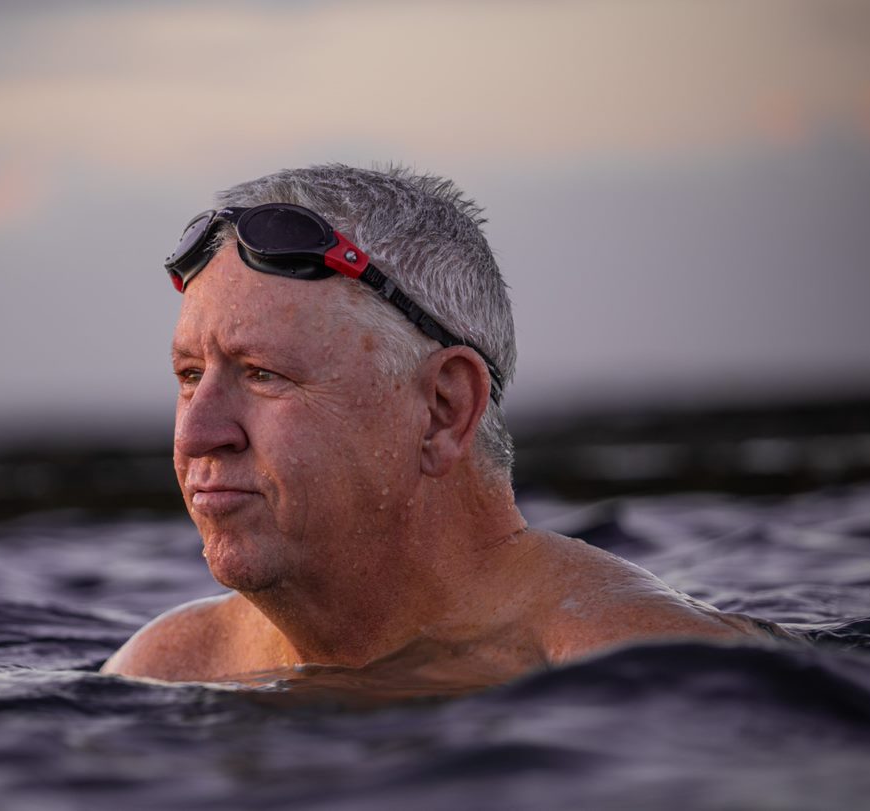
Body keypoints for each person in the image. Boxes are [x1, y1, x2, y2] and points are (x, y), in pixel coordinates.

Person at [101, 164, 782, 692]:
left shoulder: (637, 670)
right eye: (190, 375)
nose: (197, 434)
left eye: (262, 374)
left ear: (443, 409)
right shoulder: (167, 668)